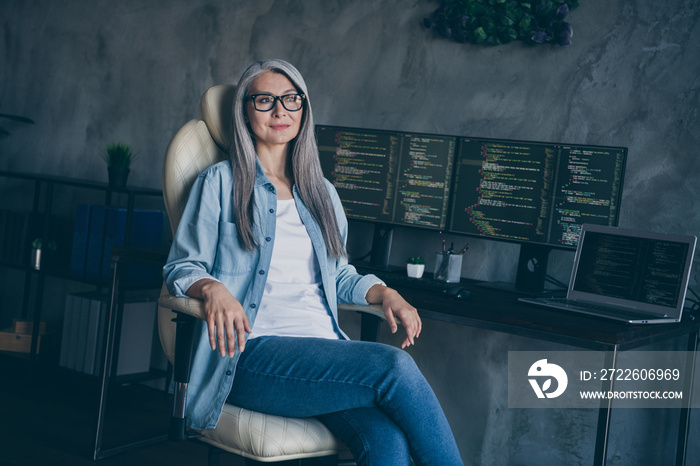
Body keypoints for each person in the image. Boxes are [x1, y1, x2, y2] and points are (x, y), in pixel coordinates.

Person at [163, 59, 463, 466]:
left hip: (321, 358)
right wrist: (212, 287)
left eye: (291, 99)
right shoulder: (219, 183)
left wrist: (385, 292)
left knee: (386, 438)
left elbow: (338, 274)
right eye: (265, 100)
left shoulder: (320, 192)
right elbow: (183, 267)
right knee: (393, 366)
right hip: (250, 355)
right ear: (245, 112)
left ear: (304, 109)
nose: (280, 110)